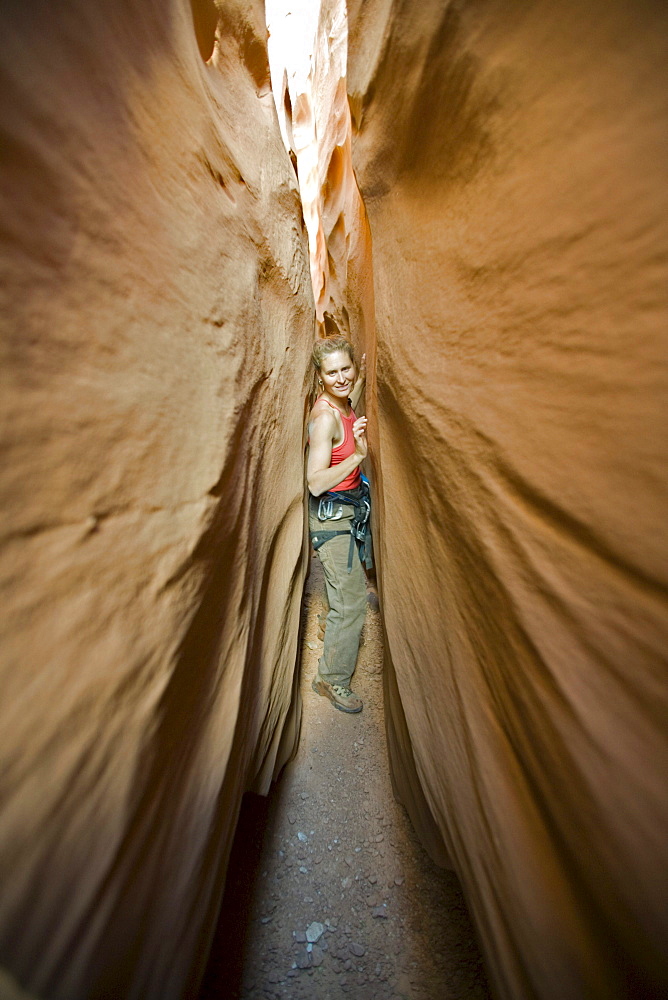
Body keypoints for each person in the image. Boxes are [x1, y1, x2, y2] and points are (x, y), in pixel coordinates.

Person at [307, 335, 371, 714]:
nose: (341, 377)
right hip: (331, 518)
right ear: (320, 377)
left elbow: (350, 390)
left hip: (348, 508)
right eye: (332, 372)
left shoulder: (343, 401)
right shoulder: (325, 418)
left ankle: (331, 626)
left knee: (343, 592)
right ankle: (330, 680)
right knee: (352, 603)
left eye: (346, 368)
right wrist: (358, 456)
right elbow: (315, 481)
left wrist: (360, 378)